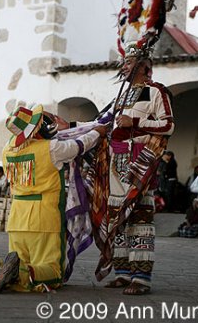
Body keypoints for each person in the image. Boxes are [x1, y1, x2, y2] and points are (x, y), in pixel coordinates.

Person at [56, 55, 174, 295]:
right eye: (125, 63)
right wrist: (69, 126)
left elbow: (168, 125)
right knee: (115, 219)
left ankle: (141, 278)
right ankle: (122, 273)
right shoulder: (120, 96)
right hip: (114, 164)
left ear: (144, 67)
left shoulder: (156, 91)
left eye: (129, 63)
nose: (124, 67)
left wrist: (136, 121)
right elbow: (100, 124)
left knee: (140, 218)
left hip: (139, 163)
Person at [0, 104, 107, 293]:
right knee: (53, 271)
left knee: (20, 258)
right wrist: (96, 132)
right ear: (37, 128)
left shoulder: (6, 150)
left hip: (17, 217)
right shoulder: (50, 148)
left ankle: (0, 267)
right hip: (44, 216)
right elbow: (78, 146)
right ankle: (17, 272)